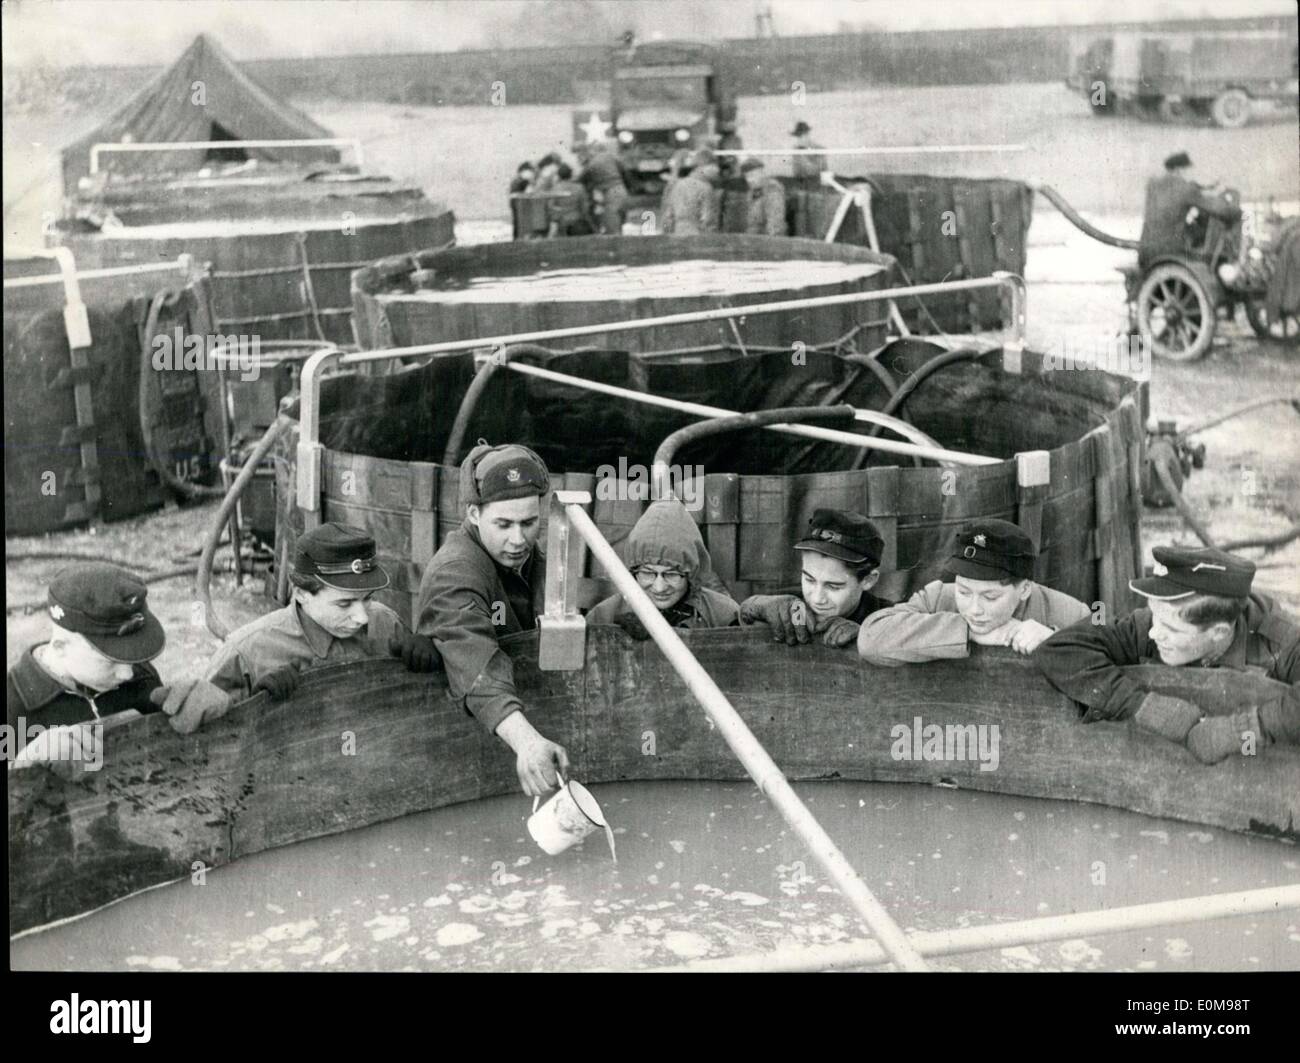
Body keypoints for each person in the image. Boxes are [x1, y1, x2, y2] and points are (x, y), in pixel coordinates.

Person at [1035, 545, 1299, 764]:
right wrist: (1149, 708)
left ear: (1218, 632)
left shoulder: (1280, 642)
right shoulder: (1148, 626)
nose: (1153, 634)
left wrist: (1238, 731)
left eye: (1171, 629)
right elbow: (1058, 650)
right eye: (1155, 618)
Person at [415, 443, 570, 796]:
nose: (518, 539)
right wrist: (528, 743)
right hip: (461, 757)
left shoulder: (530, 560)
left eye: (529, 523)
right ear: (473, 513)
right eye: (503, 524)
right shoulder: (455, 572)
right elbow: (476, 666)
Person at [7, 563, 231, 772]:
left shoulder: (140, 676)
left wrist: (201, 712)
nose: (128, 673)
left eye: (131, 656)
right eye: (110, 660)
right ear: (60, 647)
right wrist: (24, 763)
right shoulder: (12, 705)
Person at [206, 523, 438, 701]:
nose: (363, 617)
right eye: (344, 604)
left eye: (367, 599)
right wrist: (254, 709)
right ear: (301, 593)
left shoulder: (387, 623)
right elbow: (204, 749)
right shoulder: (244, 655)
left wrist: (433, 660)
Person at [859, 518, 1091, 665]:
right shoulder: (937, 597)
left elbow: (1116, 666)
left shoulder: (1071, 613)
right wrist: (965, 632)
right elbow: (871, 638)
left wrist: (1055, 640)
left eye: (990, 597)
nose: (973, 609)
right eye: (964, 591)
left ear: (1024, 589)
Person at [740, 509, 893, 648]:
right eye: (809, 580)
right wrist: (753, 605)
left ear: (868, 580)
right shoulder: (790, 606)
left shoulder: (889, 618)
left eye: (833, 586)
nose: (817, 599)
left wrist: (873, 638)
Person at [586, 498, 739, 634]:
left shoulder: (724, 616)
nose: (659, 587)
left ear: (690, 574)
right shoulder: (604, 616)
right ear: (633, 572)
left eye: (671, 574)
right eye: (648, 573)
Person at [1138, 152, 1242, 271]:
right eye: (1187, 170)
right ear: (1179, 170)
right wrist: (1236, 211)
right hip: (1171, 252)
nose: (1189, 174)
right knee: (1208, 252)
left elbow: (1175, 192)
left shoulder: (1153, 184)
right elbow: (1219, 209)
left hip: (1145, 252)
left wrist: (1205, 188)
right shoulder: (1186, 189)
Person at [660, 149, 720, 236]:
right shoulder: (705, 188)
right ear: (701, 166)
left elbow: (668, 215)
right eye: (713, 165)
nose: (716, 170)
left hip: (678, 232)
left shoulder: (678, 185)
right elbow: (708, 219)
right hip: (697, 234)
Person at [579, 139, 629, 235]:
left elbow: (581, 179)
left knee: (612, 228)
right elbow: (625, 171)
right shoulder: (612, 157)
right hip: (622, 190)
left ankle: (615, 247)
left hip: (610, 193)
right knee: (619, 223)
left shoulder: (592, 163)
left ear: (592, 151)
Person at [741, 156, 787, 236]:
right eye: (747, 176)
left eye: (752, 175)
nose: (749, 180)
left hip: (769, 242)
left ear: (762, 173)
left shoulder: (772, 190)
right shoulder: (752, 193)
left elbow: (775, 226)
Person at [550, 162, 594, 236]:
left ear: (559, 176)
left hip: (562, 222)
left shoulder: (555, 188)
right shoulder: (579, 187)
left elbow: (551, 207)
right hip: (577, 222)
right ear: (571, 174)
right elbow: (585, 208)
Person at [790, 120, 827, 187]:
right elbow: (796, 170)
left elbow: (823, 169)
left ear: (807, 134)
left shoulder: (819, 149)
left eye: (802, 135)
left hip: (817, 182)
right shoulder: (796, 150)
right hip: (800, 182)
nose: (800, 139)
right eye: (798, 136)